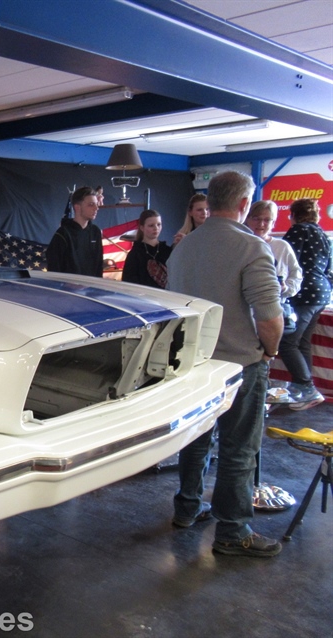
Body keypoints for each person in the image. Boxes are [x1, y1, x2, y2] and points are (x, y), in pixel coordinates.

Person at [166, 170, 283, 558]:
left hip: (194, 363)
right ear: (244, 204)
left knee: (196, 438)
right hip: (239, 364)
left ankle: (187, 508)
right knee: (238, 449)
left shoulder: (183, 247)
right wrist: (269, 351)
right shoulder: (251, 247)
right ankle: (232, 531)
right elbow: (269, 318)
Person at [280, 198, 332, 411]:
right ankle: (304, 391)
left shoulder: (298, 231)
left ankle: (307, 388)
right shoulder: (323, 235)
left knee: (287, 342)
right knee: (302, 343)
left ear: (293, 215)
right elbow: (328, 268)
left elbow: (287, 262)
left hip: (304, 293)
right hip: (322, 293)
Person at [245, 200, 302, 298]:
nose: (261, 224)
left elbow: (296, 275)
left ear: (273, 223)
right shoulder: (239, 244)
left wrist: (285, 288)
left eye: (267, 220)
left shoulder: (282, 247)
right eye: (256, 218)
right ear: (247, 219)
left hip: (275, 301)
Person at [46, 186, 103, 277]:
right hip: (68, 285)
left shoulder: (95, 232)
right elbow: (54, 267)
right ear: (77, 207)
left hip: (91, 285)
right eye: (91, 204)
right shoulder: (63, 234)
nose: (96, 208)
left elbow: (98, 265)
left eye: (97, 204)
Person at [122, 209, 172, 288]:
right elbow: (129, 283)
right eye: (151, 225)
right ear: (142, 227)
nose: (156, 228)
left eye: (159, 224)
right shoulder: (135, 254)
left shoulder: (167, 251)